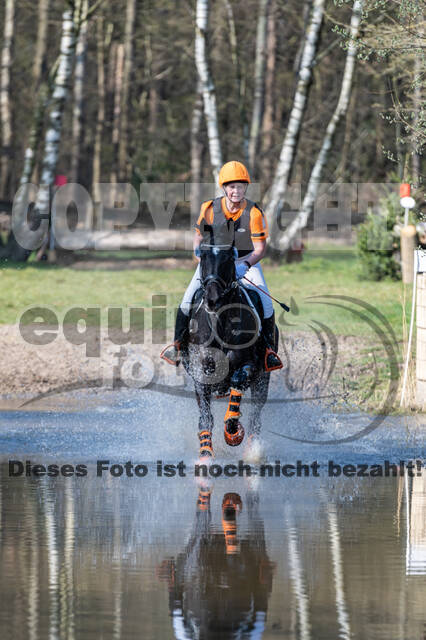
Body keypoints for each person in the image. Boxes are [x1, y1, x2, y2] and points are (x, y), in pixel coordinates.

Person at [160, 160, 282, 371]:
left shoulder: (254, 213)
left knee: (266, 303)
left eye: (240, 186)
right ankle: (177, 345)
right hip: (213, 264)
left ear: (246, 187)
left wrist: (244, 265)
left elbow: (260, 249)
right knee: (187, 300)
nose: (236, 191)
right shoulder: (209, 209)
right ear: (224, 188)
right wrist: (205, 260)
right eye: (232, 186)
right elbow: (198, 240)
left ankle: (268, 352)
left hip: (245, 262)